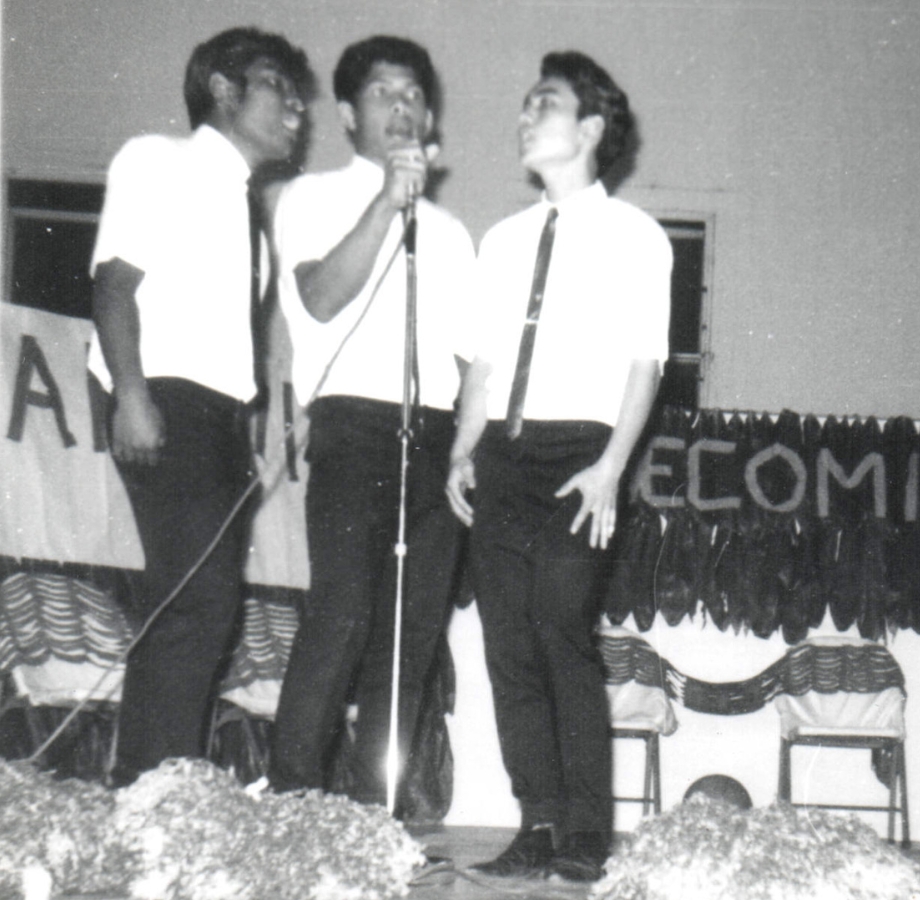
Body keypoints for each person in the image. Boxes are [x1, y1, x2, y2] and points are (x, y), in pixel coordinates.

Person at [446, 50, 671, 882]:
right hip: (504, 451)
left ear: (590, 128)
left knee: (559, 628)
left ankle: (585, 833)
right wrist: (462, 454)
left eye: (543, 103)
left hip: (584, 454)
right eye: (525, 103)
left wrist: (613, 465)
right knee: (506, 642)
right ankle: (535, 820)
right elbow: (480, 366)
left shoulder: (637, 237)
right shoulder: (502, 241)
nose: (523, 115)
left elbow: (644, 365)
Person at [89, 26, 312, 787]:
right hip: (161, 394)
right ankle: (153, 793)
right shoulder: (159, 160)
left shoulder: (247, 209)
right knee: (197, 601)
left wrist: (245, 426)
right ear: (222, 89)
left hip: (216, 416)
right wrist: (131, 394)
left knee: (203, 604)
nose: (295, 106)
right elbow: (114, 284)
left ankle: (158, 786)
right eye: (276, 85)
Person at [267, 36, 475, 811]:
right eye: (386, 93)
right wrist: (387, 201)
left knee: (410, 643)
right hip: (354, 429)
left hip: (437, 439)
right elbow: (320, 299)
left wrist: (471, 447)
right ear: (349, 113)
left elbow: (469, 359)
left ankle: (371, 814)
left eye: (415, 94)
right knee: (343, 617)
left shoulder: (451, 235)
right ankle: (290, 804)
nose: (404, 108)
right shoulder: (312, 198)